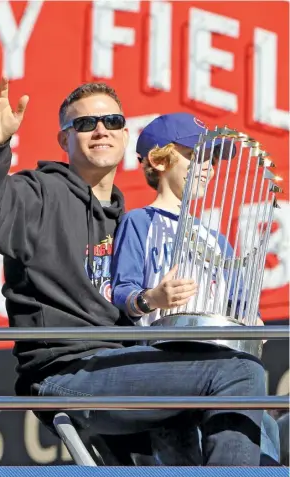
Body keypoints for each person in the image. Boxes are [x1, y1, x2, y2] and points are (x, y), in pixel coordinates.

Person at [0, 77, 267, 466]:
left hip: (131, 365)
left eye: (111, 120)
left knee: (257, 417)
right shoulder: (39, 194)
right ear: (64, 141)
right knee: (240, 375)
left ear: (125, 134)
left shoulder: (132, 221)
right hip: (68, 371)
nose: (100, 129)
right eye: (85, 124)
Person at [111, 112, 279, 465]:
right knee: (177, 449)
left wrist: (254, 321)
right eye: (196, 156)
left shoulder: (215, 238)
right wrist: (152, 298)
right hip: (165, 362)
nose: (208, 168)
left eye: (212, 160)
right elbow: (122, 290)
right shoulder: (139, 222)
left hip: (221, 358)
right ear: (159, 160)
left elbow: (236, 301)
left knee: (262, 427)